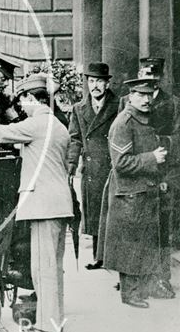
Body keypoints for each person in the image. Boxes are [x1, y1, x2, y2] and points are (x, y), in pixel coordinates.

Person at [0, 73, 72, 332]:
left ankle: (47, 329)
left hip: (44, 206)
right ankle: (54, 321)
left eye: (23, 100)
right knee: (54, 268)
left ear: (32, 99)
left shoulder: (37, 124)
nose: (21, 106)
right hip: (58, 204)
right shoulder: (56, 125)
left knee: (43, 269)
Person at [103, 78, 174, 308]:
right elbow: (121, 163)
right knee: (130, 244)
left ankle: (139, 289)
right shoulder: (124, 122)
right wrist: (152, 159)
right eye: (141, 95)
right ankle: (129, 293)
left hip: (144, 190)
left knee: (142, 241)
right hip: (130, 194)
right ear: (130, 96)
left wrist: (159, 178)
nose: (146, 99)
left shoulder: (143, 118)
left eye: (149, 95)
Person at [67, 62, 118, 270]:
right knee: (96, 210)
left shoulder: (118, 105)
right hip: (91, 168)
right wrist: (71, 165)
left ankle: (112, 257)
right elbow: (75, 138)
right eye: (91, 81)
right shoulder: (79, 109)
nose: (94, 85)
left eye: (99, 81)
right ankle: (99, 256)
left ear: (107, 83)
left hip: (112, 165)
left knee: (112, 211)